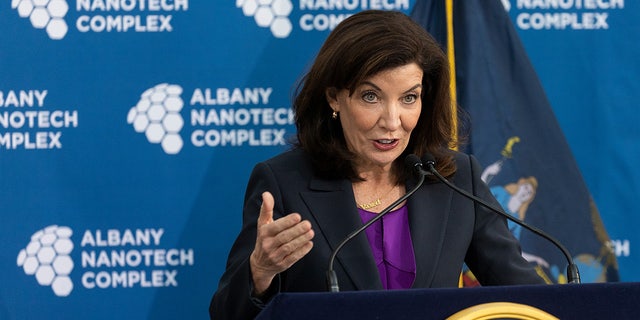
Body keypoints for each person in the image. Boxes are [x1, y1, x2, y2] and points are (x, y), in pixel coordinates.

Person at [209, 9, 545, 320]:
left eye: (409, 98)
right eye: (371, 97)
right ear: (334, 98)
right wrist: (259, 272)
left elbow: (528, 298)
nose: (392, 121)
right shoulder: (284, 183)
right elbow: (227, 314)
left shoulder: (454, 180)